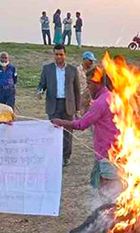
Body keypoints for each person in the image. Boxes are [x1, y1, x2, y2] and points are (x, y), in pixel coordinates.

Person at [51, 67, 121, 201]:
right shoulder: (112, 97)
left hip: (107, 153)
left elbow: (81, 124)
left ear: (98, 83)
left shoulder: (101, 103)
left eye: (89, 83)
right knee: (99, 186)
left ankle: (110, 217)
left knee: (108, 193)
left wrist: (61, 122)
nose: (88, 87)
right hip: (112, 151)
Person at [38, 44, 81, 167]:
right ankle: (54, 155)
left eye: (61, 54)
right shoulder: (47, 69)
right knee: (53, 131)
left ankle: (65, 157)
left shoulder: (72, 70)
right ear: (53, 55)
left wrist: (77, 109)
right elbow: (42, 84)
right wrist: (40, 91)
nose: (59, 57)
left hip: (68, 105)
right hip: (53, 104)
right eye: (56, 54)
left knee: (67, 133)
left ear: (65, 55)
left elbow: (77, 90)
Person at [79, 51, 97, 116]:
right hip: (80, 98)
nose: (91, 62)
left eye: (92, 60)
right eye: (90, 60)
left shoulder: (93, 72)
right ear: (84, 59)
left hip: (90, 98)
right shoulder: (77, 71)